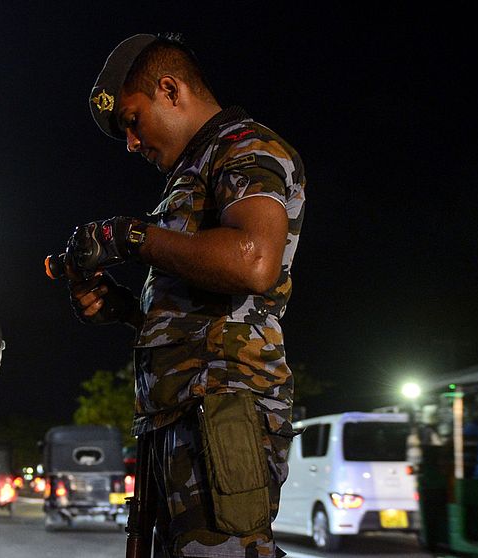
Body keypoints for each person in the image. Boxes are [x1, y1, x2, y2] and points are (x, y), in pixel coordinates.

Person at [65, 33, 305, 557]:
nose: (131, 143)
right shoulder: (190, 174)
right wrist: (125, 308)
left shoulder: (247, 147)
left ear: (170, 90)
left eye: (132, 121)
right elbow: (199, 315)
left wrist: (129, 236)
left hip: (223, 410)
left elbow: (253, 261)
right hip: (176, 416)